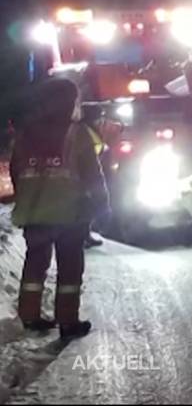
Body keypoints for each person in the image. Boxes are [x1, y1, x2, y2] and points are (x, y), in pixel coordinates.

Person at [11, 78, 108, 339]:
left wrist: (27, 197)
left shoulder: (27, 132)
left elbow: (16, 170)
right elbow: (92, 173)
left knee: (34, 265)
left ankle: (30, 316)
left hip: (34, 212)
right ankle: (67, 321)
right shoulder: (78, 133)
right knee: (69, 267)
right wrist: (101, 203)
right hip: (69, 213)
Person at [80, 105, 110, 248]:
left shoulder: (88, 130)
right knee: (86, 206)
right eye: (100, 117)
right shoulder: (84, 132)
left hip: (86, 172)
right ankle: (82, 236)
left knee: (87, 206)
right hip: (83, 174)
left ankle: (85, 234)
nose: (102, 120)